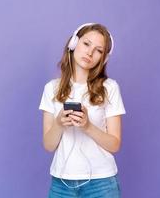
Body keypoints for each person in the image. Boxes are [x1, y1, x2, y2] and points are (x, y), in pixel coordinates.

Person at [39, 23, 126, 198]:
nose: (90, 53)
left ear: (104, 58)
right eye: (86, 44)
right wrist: (59, 124)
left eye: (98, 50)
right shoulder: (51, 88)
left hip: (101, 183)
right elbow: (48, 145)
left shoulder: (110, 88)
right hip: (61, 183)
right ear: (73, 43)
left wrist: (87, 126)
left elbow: (115, 144)